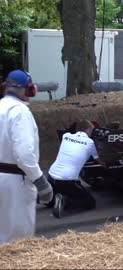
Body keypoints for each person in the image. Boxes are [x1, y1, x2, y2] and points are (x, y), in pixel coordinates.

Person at [0, 70, 53, 244]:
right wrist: (41, 182)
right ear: (28, 90)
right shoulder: (20, 112)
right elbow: (24, 154)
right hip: (15, 182)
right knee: (18, 242)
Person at [47, 120, 99, 218]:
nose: (92, 132)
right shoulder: (90, 142)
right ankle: (64, 202)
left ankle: (48, 199)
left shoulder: (65, 136)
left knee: (58, 191)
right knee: (90, 202)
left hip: (51, 176)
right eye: (92, 130)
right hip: (67, 181)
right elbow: (99, 161)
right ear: (87, 130)